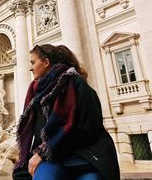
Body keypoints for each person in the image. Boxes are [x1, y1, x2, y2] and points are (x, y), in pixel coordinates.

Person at [13, 44, 120, 180]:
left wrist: (43, 152)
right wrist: (39, 154)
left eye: (33, 62)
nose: (30, 67)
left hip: (84, 157)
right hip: (54, 159)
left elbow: (87, 129)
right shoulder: (37, 95)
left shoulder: (78, 84)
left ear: (46, 62)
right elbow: (40, 137)